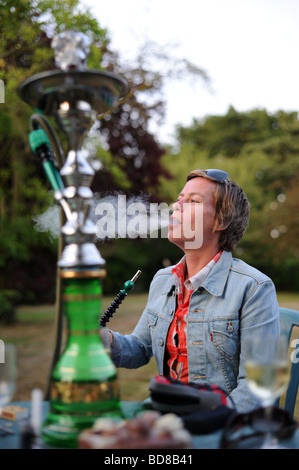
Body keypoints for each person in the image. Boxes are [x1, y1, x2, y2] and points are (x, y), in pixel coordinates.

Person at [105, 169, 280, 412]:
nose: (176, 206)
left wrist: (206, 423)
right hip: (166, 414)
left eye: (193, 201)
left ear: (221, 221)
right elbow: (140, 348)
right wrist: (103, 339)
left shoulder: (254, 288)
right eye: (179, 199)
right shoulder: (163, 280)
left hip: (221, 427)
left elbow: (259, 386)